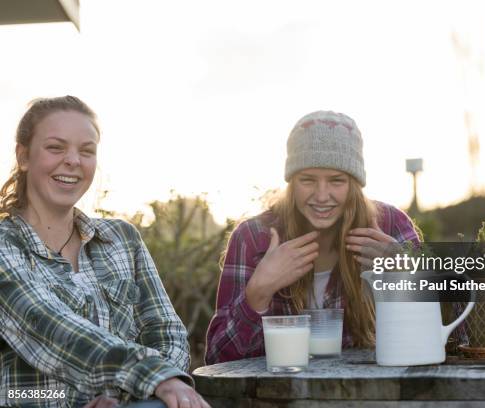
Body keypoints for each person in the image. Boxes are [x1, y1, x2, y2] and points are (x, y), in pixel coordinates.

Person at [0, 96, 209, 408]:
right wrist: (150, 377)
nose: (73, 160)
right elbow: (48, 327)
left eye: (86, 151)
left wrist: (124, 397)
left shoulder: (122, 239)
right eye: (56, 147)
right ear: (23, 156)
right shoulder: (5, 246)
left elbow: (166, 333)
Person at [205, 110, 420, 364]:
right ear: (291, 183)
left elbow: (440, 335)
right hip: (280, 398)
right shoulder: (253, 238)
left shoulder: (391, 225)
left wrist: (405, 276)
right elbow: (218, 360)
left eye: (336, 181)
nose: (321, 195)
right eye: (307, 180)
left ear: (354, 184)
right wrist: (258, 293)